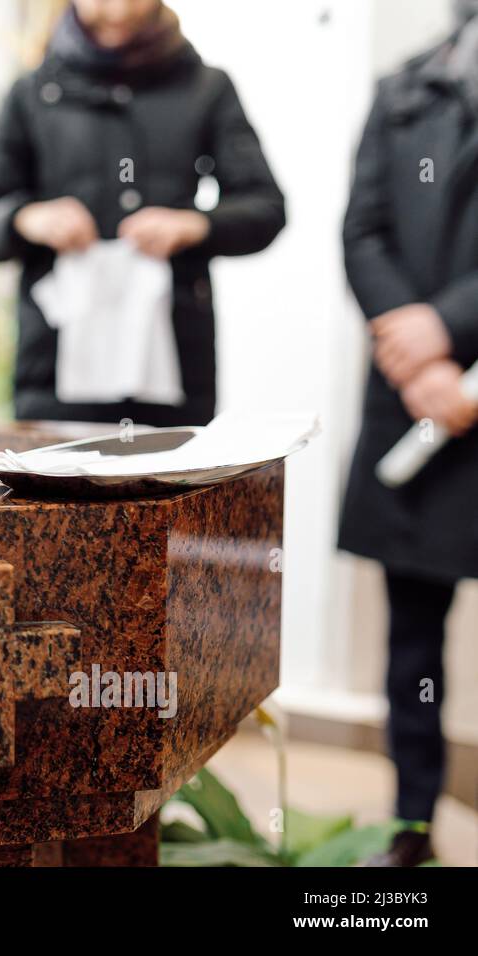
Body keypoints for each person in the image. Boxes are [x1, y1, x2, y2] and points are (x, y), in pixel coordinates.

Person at [0, 0, 285, 427]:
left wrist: (194, 225)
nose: (117, 12)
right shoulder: (31, 94)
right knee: (56, 489)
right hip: (55, 371)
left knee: (172, 487)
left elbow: (265, 208)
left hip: (173, 366)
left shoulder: (206, 87)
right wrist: (28, 219)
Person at [339, 0, 478, 868]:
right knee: (412, 635)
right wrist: (417, 352)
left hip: (456, 372)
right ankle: (412, 824)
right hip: (414, 400)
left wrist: (450, 327)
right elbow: (362, 232)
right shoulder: (402, 94)